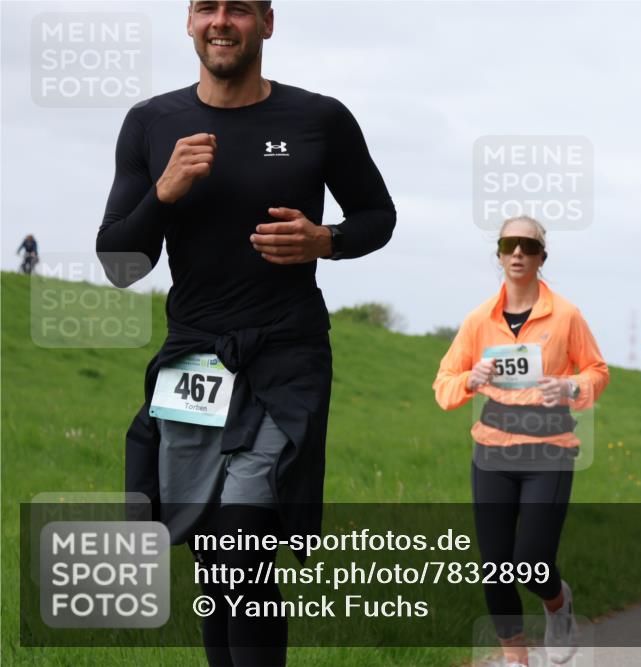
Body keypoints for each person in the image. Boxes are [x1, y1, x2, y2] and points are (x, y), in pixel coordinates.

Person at [96, 2, 395, 665]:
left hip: (285, 356)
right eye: (207, 7)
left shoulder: (319, 119)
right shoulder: (152, 124)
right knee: (213, 553)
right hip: (195, 358)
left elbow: (378, 213)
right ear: (189, 22)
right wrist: (163, 194)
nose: (221, 21)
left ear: (266, 22)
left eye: (238, 8)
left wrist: (328, 239)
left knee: (243, 541)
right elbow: (120, 263)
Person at [433, 216, 609, 667]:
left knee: (530, 560)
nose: (517, 253)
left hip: (548, 448)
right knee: (495, 567)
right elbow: (444, 383)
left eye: (527, 246)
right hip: (492, 450)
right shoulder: (479, 320)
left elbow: (596, 371)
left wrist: (570, 388)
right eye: (509, 245)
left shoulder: (566, 315)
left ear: (541, 257)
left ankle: (557, 605)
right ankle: (517, 659)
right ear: (498, 254)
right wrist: (470, 380)